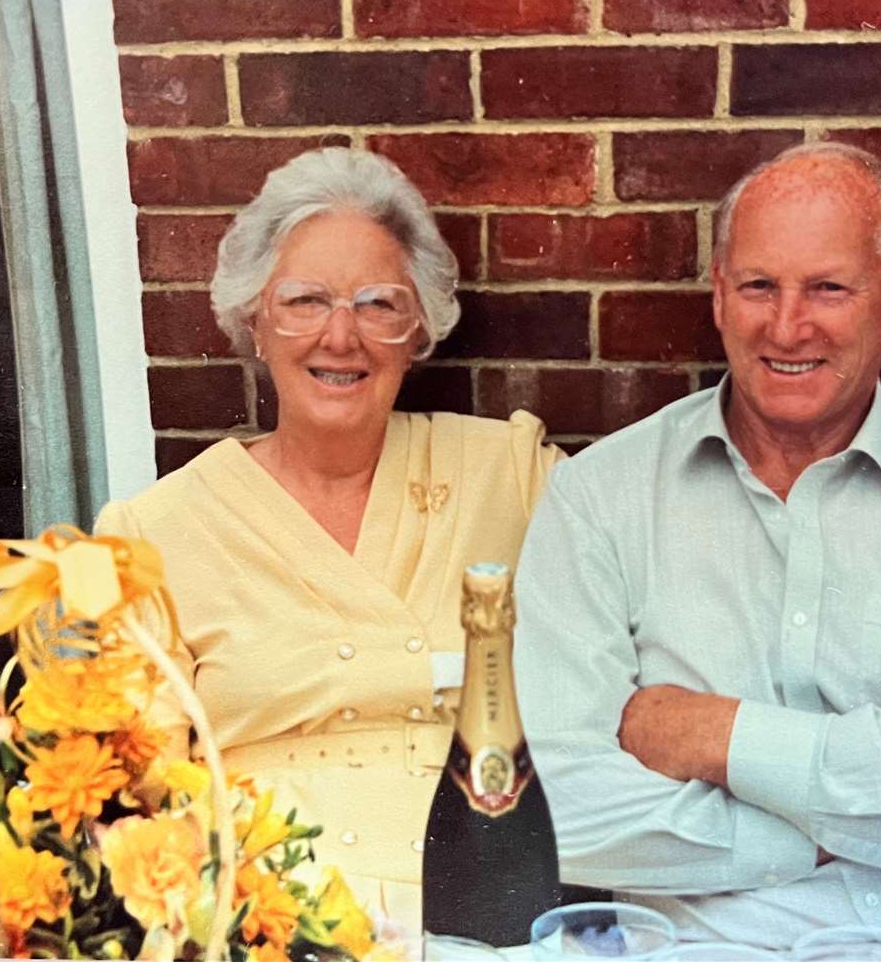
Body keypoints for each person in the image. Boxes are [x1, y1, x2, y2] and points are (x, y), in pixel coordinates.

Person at [513, 143, 881, 959]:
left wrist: (721, 738)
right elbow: (583, 816)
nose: (788, 326)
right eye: (759, 285)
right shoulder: (599, 499)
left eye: (829, 288)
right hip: (721, 948)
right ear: (720, 296)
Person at [95, 147, 561, 928]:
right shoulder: (154, 533)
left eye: (379, 304)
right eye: (305, 301)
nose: (341, 337)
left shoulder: (509, 474)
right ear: (255, 320)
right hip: (258, 920)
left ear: (418, 331)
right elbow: (131, 797)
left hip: (482, 909)